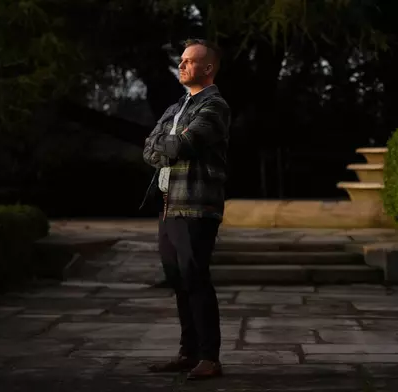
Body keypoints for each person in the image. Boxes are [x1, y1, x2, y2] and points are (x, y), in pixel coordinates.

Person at [141, 38, 230, 381]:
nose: (181, 65)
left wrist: (166, 144)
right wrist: (167, 145)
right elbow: (149, 148)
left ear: (207, 68)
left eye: (189, 61)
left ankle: (210, 358)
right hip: (168, 205)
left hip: (195, 205)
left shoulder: (215, 105)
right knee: (178, 280)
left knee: (195, 278)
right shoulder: (176, 107)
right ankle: (188, 353)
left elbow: (186, 144)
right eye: (181, 60)